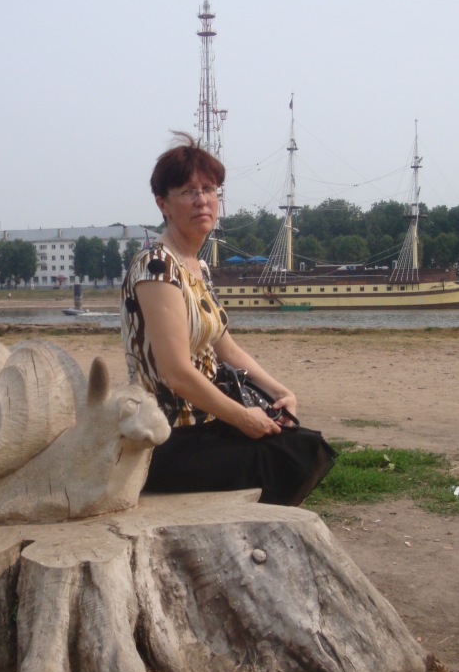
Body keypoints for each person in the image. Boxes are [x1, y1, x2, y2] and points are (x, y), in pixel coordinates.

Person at [121, 133, 333, 505]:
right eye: (187, 191)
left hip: (206, 422)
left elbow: (227, 348)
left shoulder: (197, 267)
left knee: (303, 444)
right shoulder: (156, 267)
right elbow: (175, 373)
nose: (201, 200)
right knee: (289, 456)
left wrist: (281, 392)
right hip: (168, 435)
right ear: (162, 203)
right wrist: (242, 418)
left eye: (209, 189)